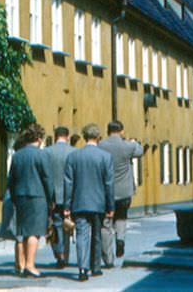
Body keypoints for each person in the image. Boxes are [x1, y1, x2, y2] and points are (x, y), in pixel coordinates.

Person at [63, 123, 114, 282]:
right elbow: (109, 183)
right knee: (97, 235)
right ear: (98, 137)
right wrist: (110, 205)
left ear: (84, 137)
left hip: (79, 202)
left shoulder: (73, 156)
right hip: (99, 203)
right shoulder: (106, 157)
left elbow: (68, 183)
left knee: (82, 235)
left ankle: (82, 269)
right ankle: (96, 267)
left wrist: (66, 206)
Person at [7, 123, 54, 278]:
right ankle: (30, 265)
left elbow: (11, 180)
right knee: (34, 232)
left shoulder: (17, 156)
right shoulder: (41, 155)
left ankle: (21, 264)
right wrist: (51, 199)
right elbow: (47, 178)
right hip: (37, 196)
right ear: (39, 139)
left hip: (20, 196)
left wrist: (14, 196)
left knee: (23, 232)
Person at [99, 120, 143, 265]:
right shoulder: (127, 146)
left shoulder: (101, 146)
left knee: (105, 223)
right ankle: (120, 240)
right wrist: (134, 141)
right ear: (121, 131)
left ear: (108, 131)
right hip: (124, 191)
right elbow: (140, 151)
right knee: (121, 217)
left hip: (106, 191)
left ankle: (108, 258)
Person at [45, 126, 75, 268]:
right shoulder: (74, 152)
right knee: (68, 226)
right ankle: (65, 255)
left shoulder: (47, 152)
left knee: (56, 224)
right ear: (67, 136)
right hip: (71, 195)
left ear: (55, 135)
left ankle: (60, 254)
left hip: (53, 195)